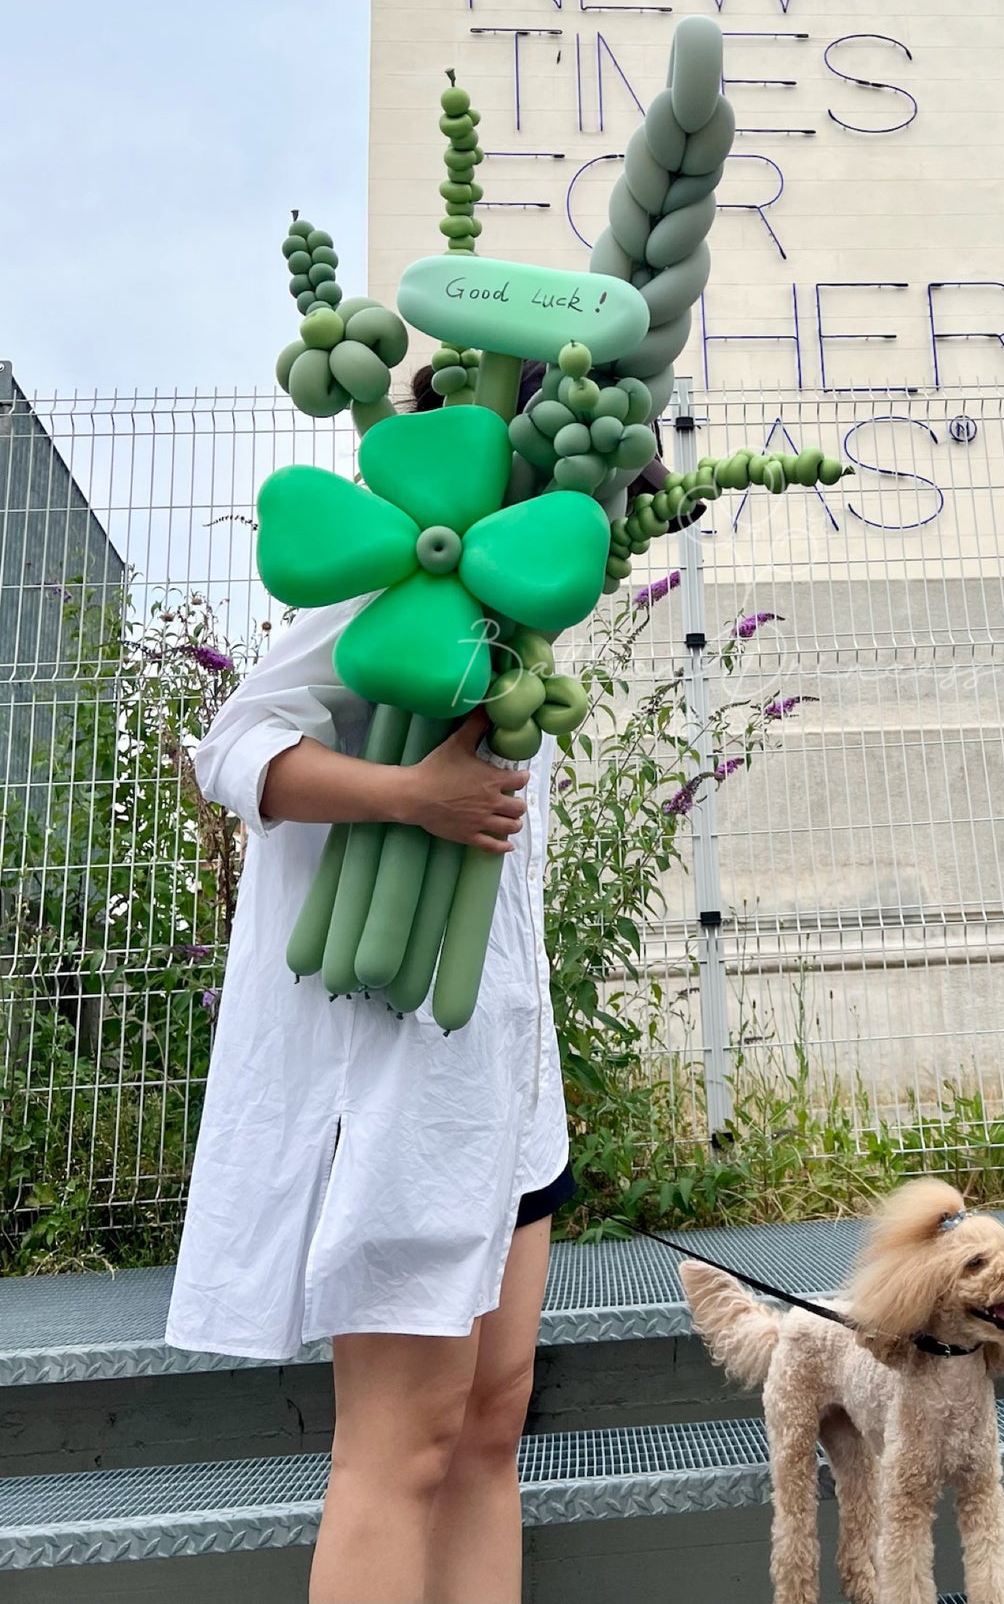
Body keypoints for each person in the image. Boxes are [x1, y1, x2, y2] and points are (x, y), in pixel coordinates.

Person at [166, 365, 597, 1604]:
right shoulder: (391, 571)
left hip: (501, 1091)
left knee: (487, 1425)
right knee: (398, 1446)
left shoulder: (519, 617)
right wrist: (410, 796)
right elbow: (233, 744)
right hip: (394, 1081)